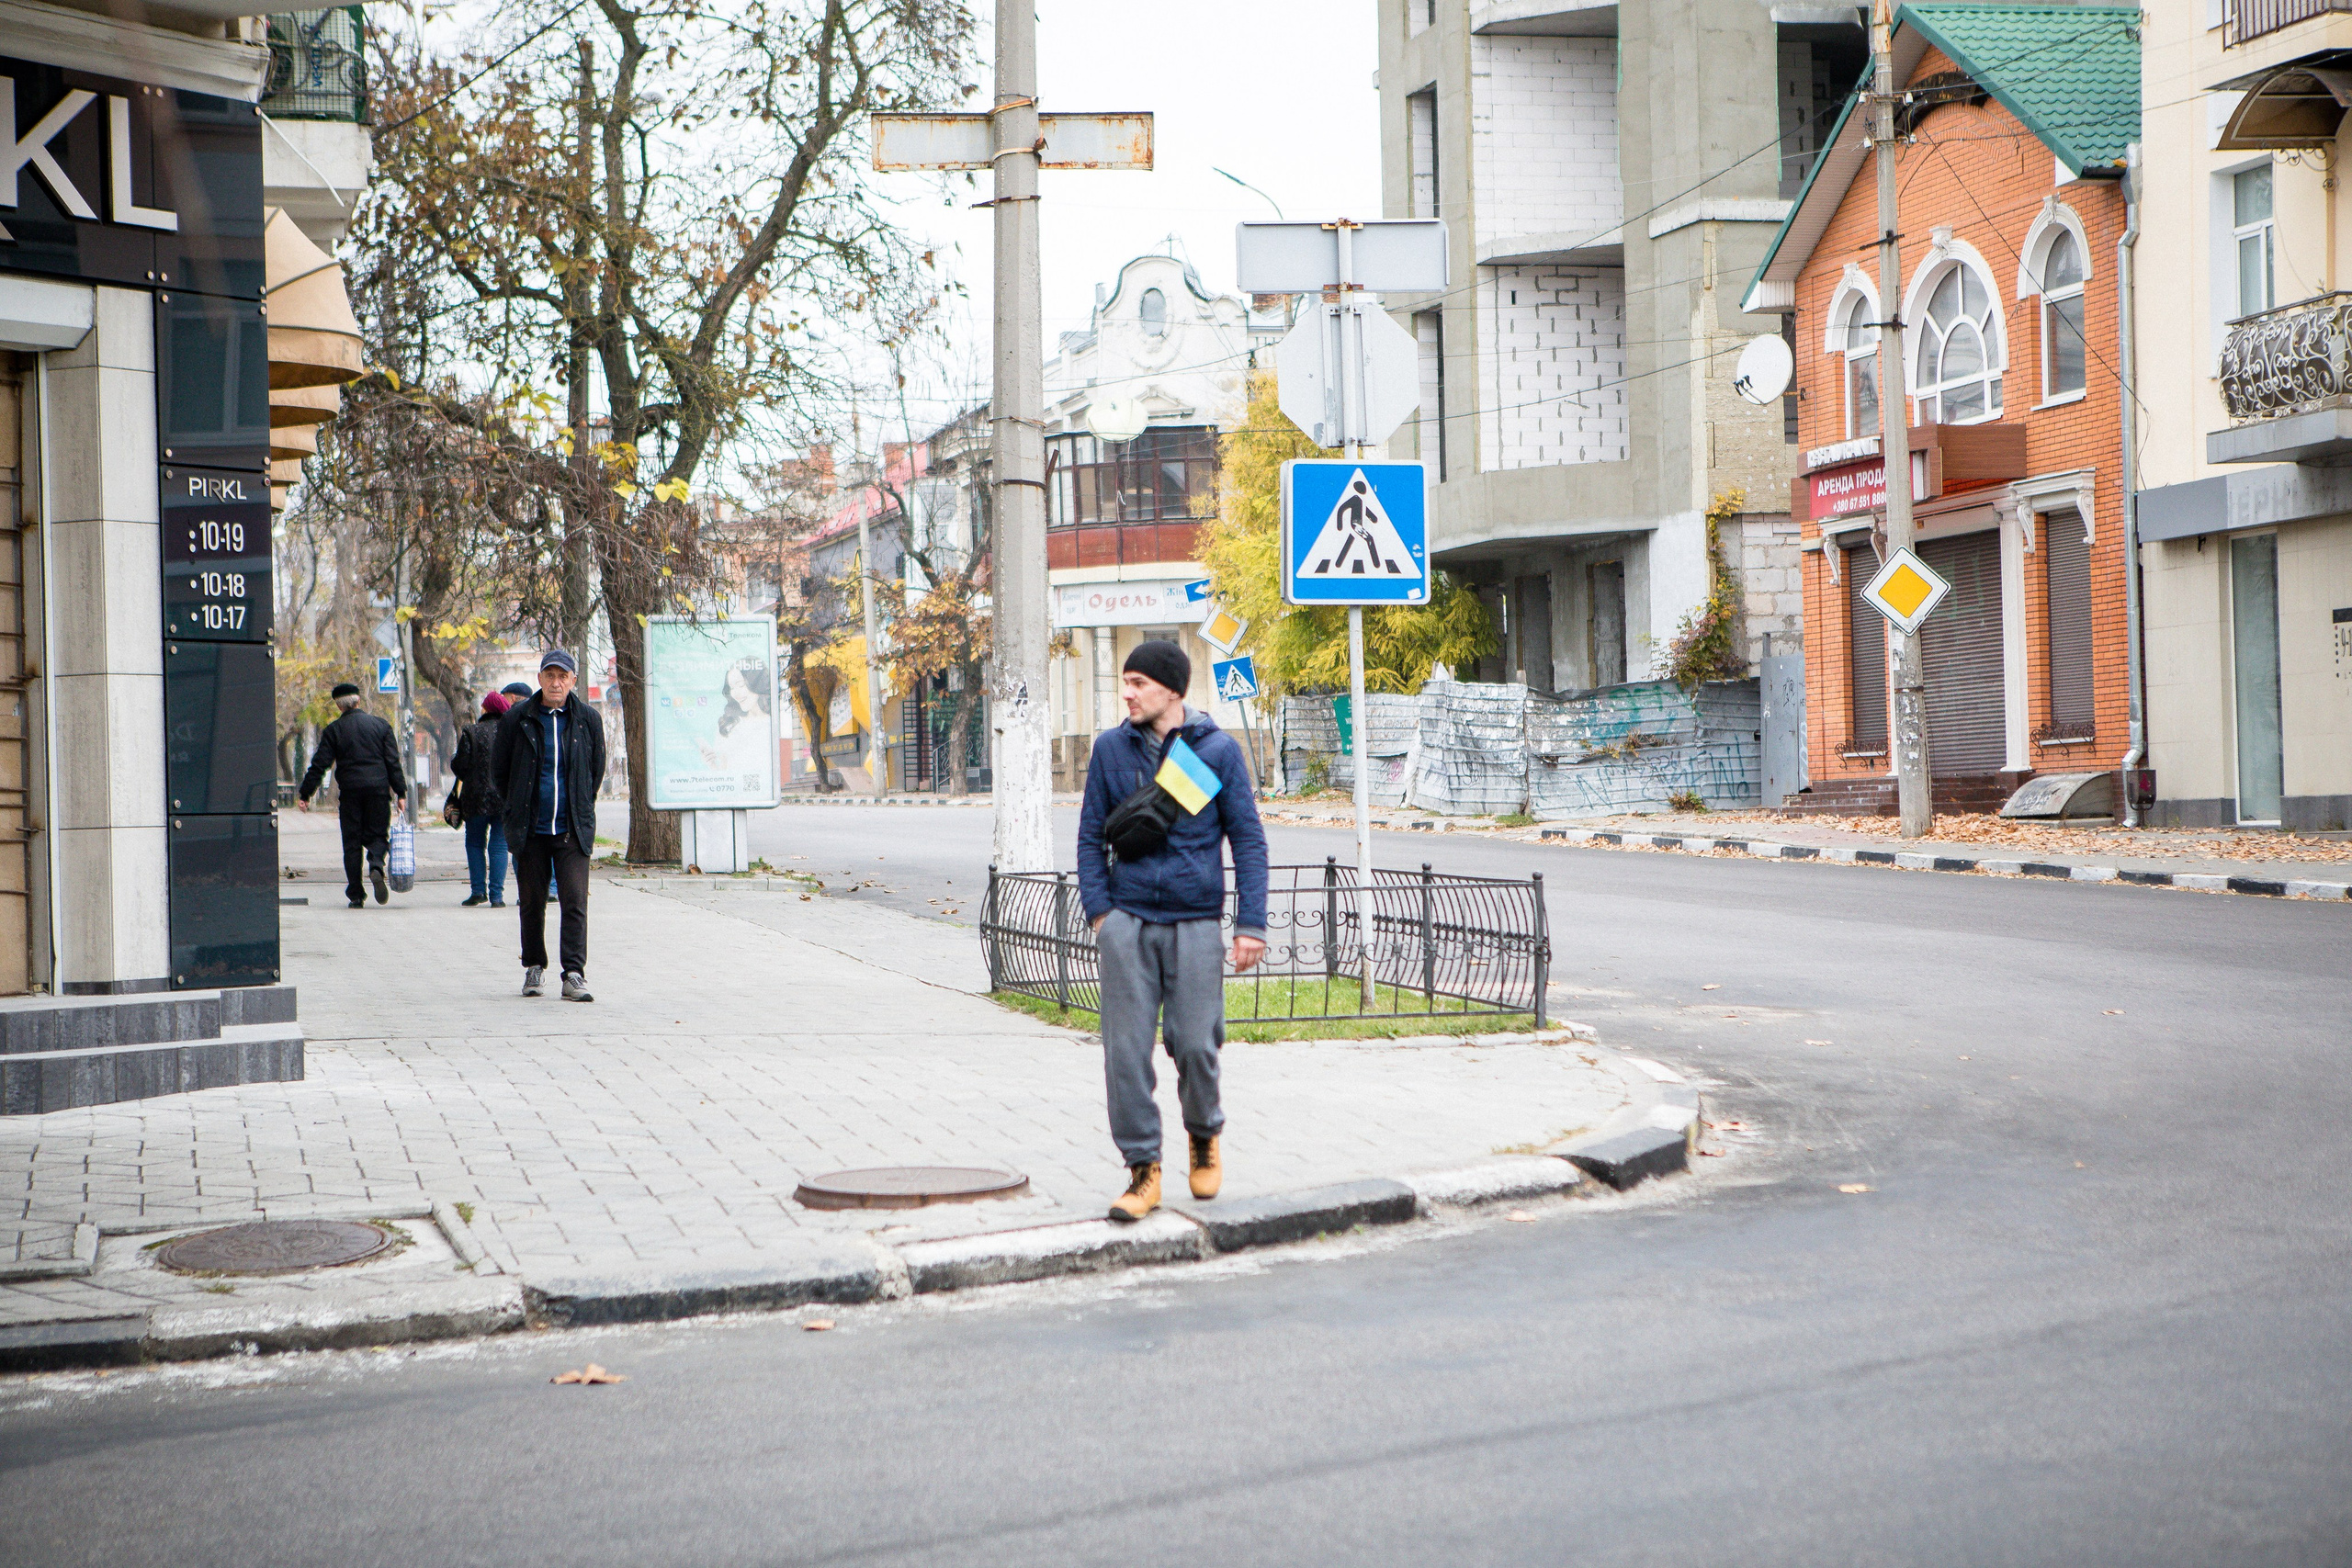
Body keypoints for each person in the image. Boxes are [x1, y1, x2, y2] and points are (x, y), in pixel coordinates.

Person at [1075, 639, 1269, 1223]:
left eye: (1138, 682)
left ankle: (1204, 1134)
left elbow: (1248, 840)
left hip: (1194, 920)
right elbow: (1090, 837)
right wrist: (1102, 915)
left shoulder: (1217, 752)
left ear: (1172, 690)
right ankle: (1142, 1170)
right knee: (1125, 1053)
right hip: (1128, 922)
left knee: (1194, 1043)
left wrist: (1251, 924)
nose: (1126, 692)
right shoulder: (1111, 750)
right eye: (1125, 682)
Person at [492, 649, 606, 1001]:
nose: (556, 683)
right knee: (531, 901)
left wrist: (581, 804)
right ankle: (534, 967)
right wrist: (514, 809)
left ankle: (573, 973)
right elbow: (500, 772)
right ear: (539, 679)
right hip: (531, 829)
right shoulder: (517, 719)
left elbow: (595, 770)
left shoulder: (588, 719)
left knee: (574, 902)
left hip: (571, 828)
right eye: (550, 676)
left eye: (563, 676)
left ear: (573, 681)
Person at [296, 682, 409, 909]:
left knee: (352, 843)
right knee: (378, 835)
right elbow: (392, 762)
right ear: (359, 701)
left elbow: (320, 764)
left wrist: (306, 793)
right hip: (378, 790)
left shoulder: (334, 731)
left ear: (339, 706)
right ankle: (376, 864)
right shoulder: (381, 726)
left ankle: (356, 895)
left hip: (350, 794)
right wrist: (400, 792)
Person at [447, 692, 511, 908]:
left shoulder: (471, 732)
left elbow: (460, 765)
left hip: (475, 798)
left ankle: (477, 892)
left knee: (475, 843)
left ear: (485, 709)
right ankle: (497, 897)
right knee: (500, 844)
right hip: (504, 797)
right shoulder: (510, 732)